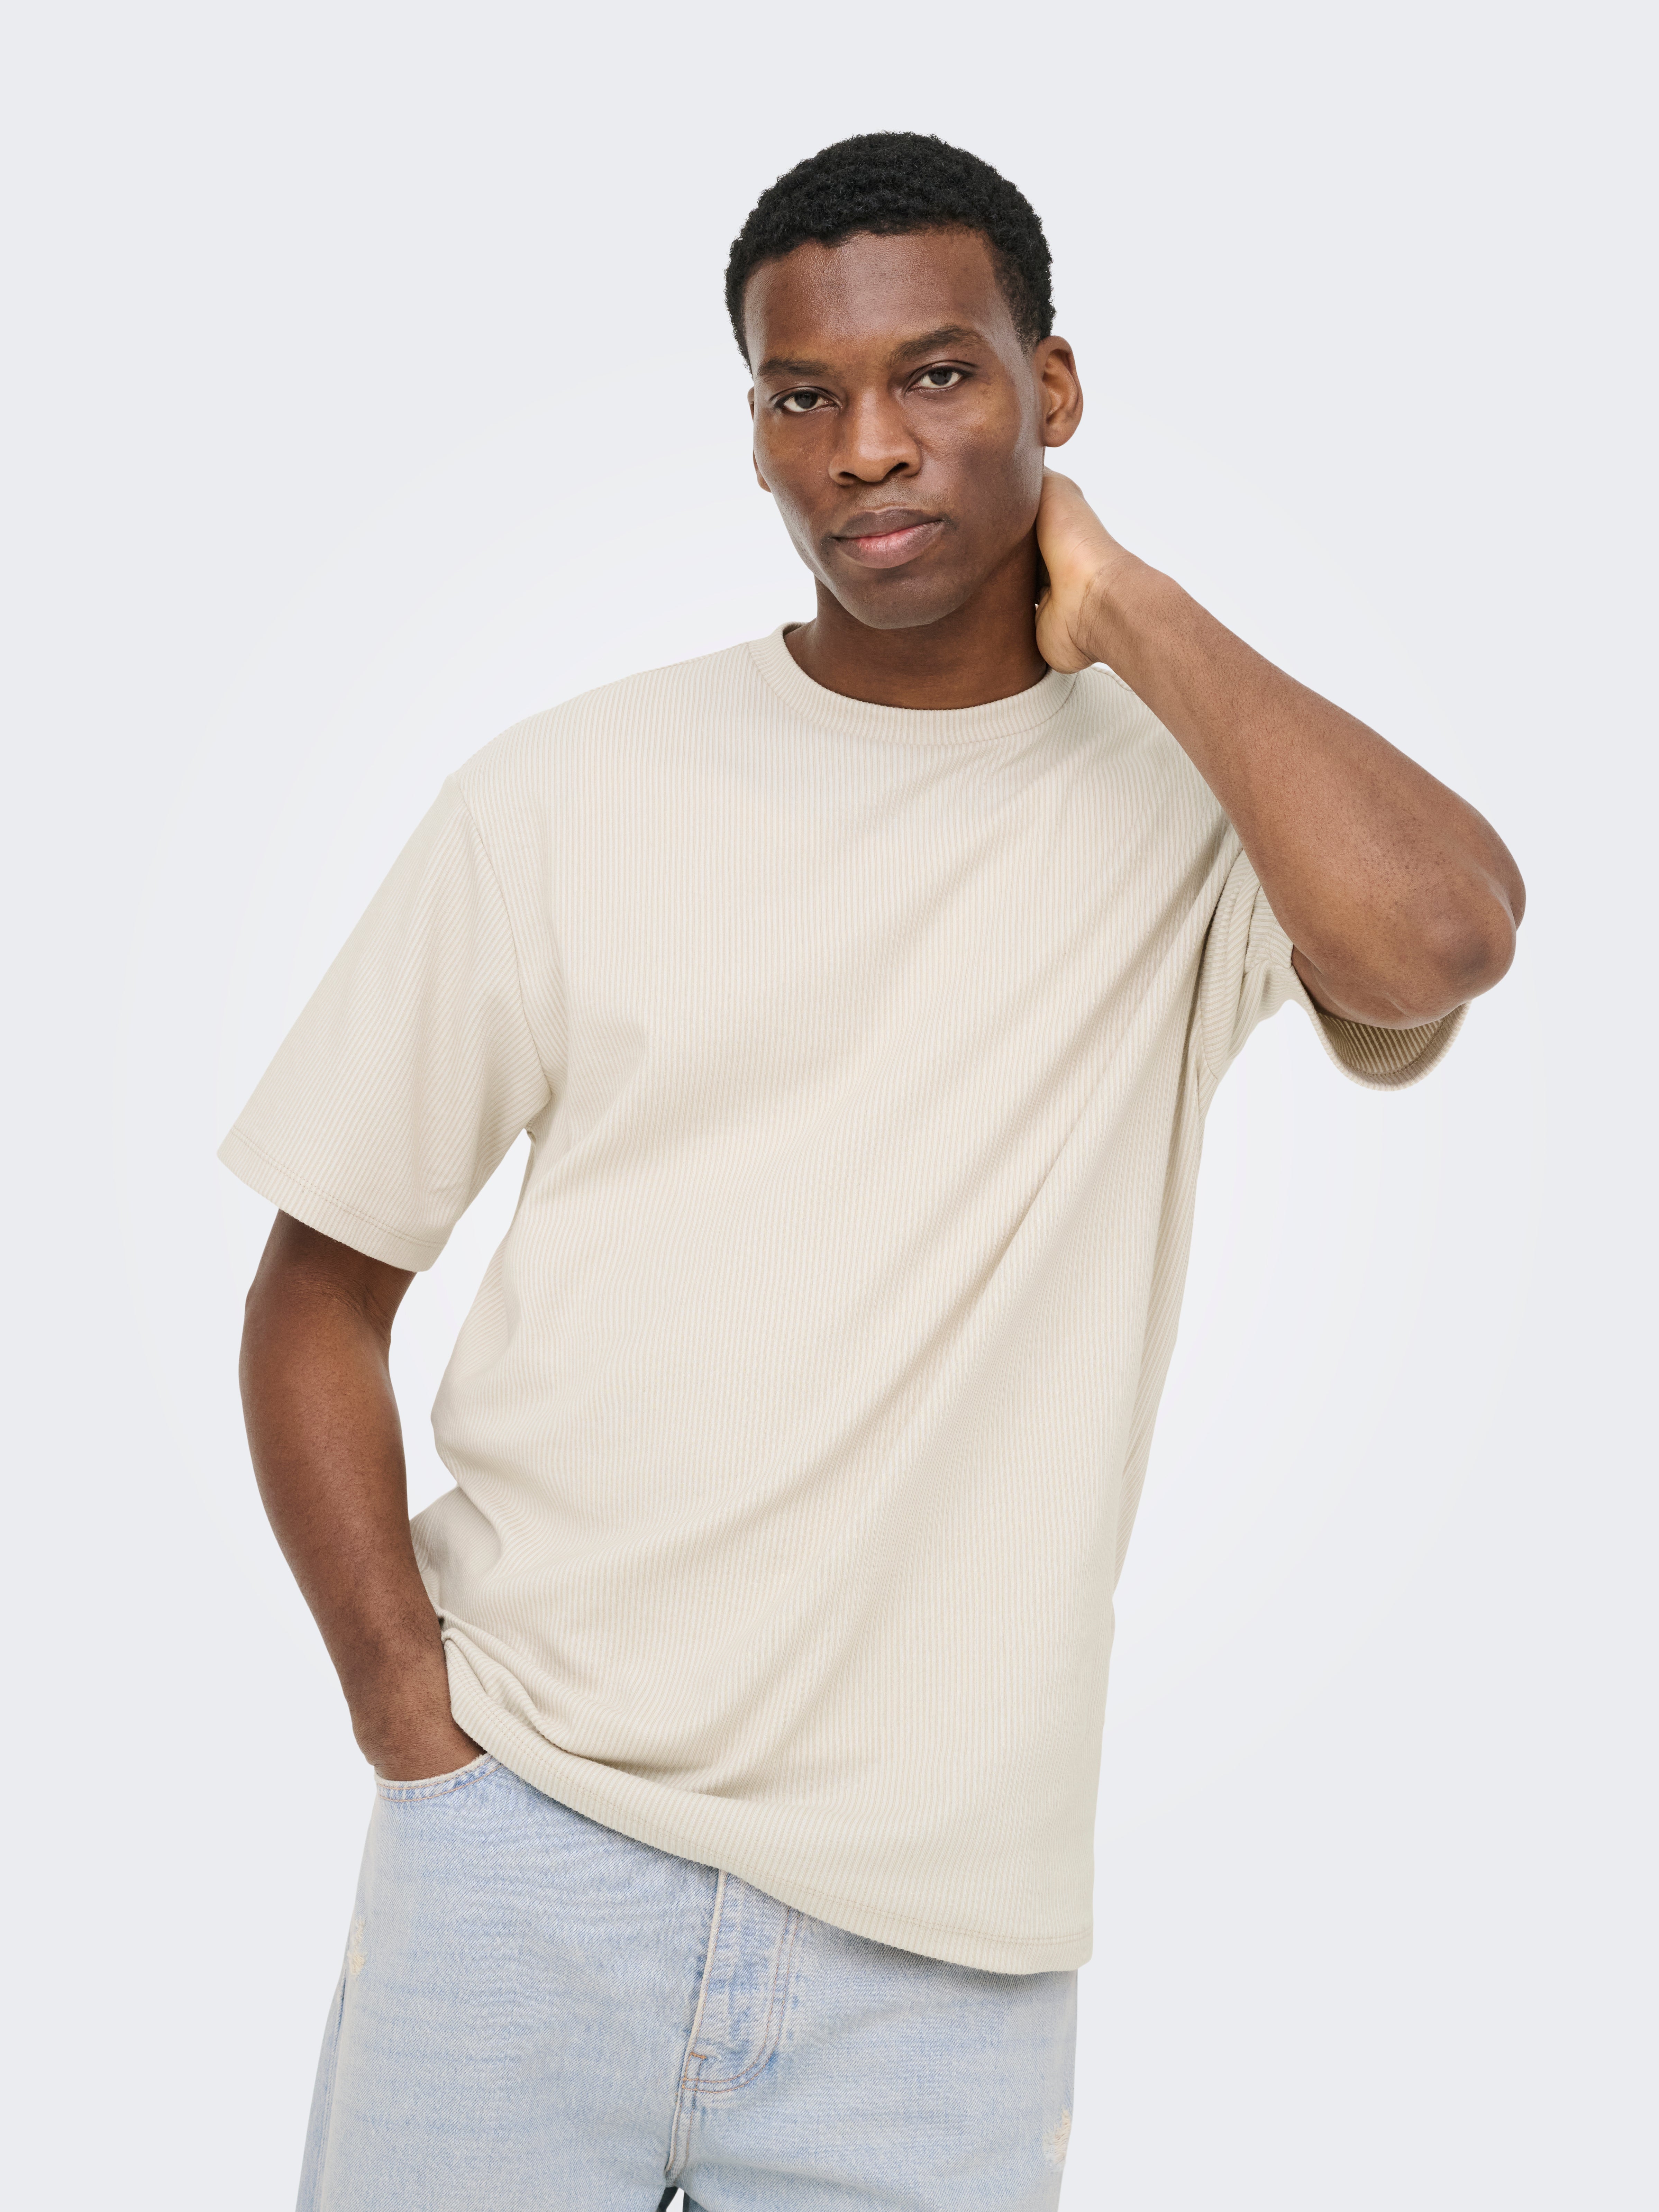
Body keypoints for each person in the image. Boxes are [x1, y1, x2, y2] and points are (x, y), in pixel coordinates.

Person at [226, 132, 1524, 2212]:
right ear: (755, 434)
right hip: (525, 1848)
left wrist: (1131, 606)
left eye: (936, 375)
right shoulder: (564, 796)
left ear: (1051, 388)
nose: (866, 449)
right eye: (801, 395)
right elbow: (320, 1290)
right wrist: (409, 1718)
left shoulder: (1200, 818)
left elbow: (1444, 934)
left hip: (941, 1955)